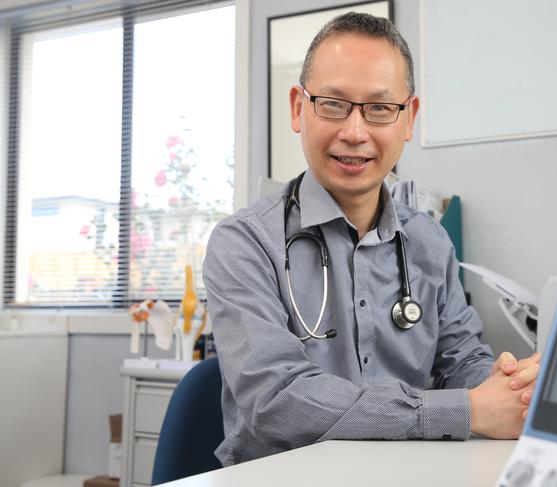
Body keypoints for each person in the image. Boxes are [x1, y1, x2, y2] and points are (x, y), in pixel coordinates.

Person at [203, 12, 539, 467]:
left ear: (408, 118)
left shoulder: (429, 242)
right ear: (298, 109)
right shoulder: (244, 243)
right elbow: (277, 400)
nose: (355, 132)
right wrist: (468, 410)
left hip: (408, 474)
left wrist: (513, 388)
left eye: (379, 108)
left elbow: (461, 360)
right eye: (333, 103)